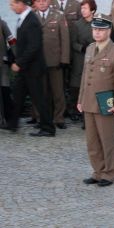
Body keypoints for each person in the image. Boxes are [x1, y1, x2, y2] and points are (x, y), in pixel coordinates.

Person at [77, 14, 114, 187]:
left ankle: (109, 173)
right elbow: (85, 76)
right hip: (89, 102)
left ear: (109, 30)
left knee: (107, 140)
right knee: (92, 141)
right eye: (94, 29)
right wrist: (80, 100)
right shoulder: (91, 48)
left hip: (106, 103)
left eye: (101, 29)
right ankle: (97, 171)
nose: (97, 32)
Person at [3, 0, 56, 137]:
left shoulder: (31, 20)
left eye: (13, 4)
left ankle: (48, 128)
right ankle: (13, 124)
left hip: (33, 68)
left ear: (21, 4)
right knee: (18, 95)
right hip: (26, 68)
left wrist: (19, 63)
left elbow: (34, 46)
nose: (11, 7)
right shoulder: (24, 18)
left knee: (39, 99)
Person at [32, 0, 69, 130]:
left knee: (58, 92)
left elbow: (64, 38)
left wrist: (64, 59)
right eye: (38, 1)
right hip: (37, 63)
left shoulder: (58, 15)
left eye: (44, 0)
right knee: (39, 92)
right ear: (35, 3)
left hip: (55, 61)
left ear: (49, 2)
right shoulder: (31, 16)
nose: (42, 3)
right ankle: (40, 118)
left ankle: (59, 118)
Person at [69, 0, 96, 124]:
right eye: (82, 8)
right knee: (77, 87)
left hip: (95, 59)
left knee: (92, 88)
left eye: (85, 8)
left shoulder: (98, 23)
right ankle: (77, 112)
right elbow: (72, 43)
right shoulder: (77, 24)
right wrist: (82, 47)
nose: (83, 11)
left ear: (92, 10)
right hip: (80, 59)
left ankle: (89, 116)